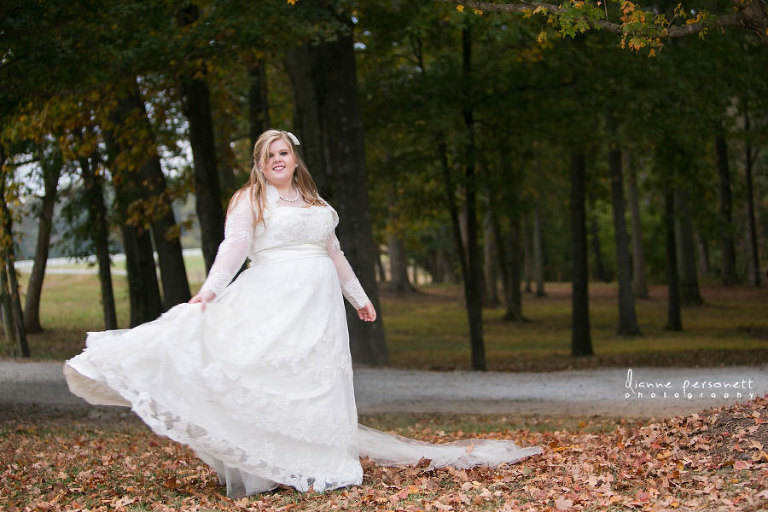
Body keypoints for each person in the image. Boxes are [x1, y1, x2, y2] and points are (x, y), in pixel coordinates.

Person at [64, 129, 540, 498]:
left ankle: (325, 464)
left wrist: (360, 298)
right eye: (268, 155)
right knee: (272, 373)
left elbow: (335, 253)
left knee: (318, 378)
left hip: (320, 305)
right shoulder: (249, 199)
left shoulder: (316, 202)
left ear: (294, 159)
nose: (277, 160)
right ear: (260, 163)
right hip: (272, 297)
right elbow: (234, 249)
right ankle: (268, 465)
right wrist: (209, 292)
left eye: (283, 153)